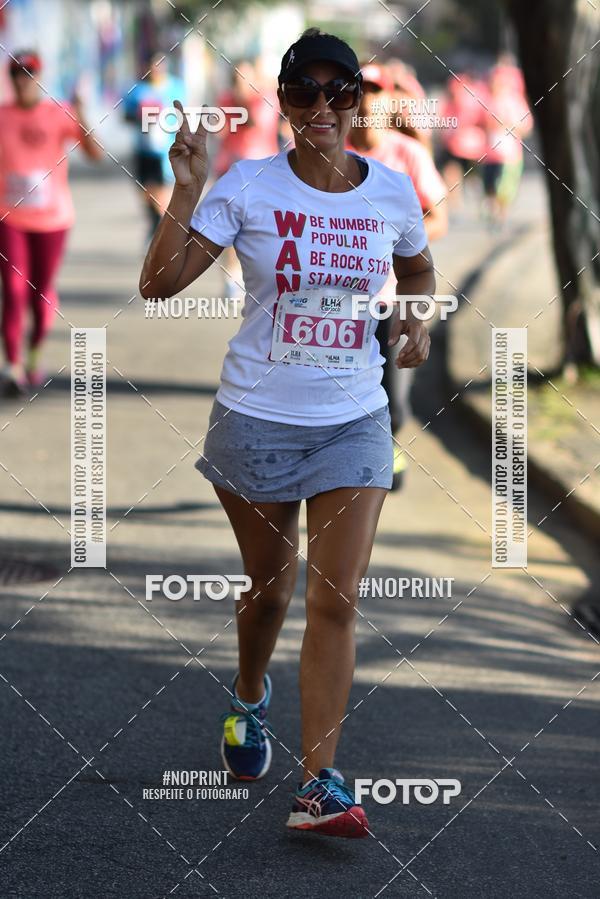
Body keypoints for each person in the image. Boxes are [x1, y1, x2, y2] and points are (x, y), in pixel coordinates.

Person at [140, 28, 435, 838]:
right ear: (283, 102)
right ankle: (246, 694)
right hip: (255, 424)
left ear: (357, 102)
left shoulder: (391, 192)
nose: (323, 107)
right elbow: (159, 284)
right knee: (269, 590)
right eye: (304, 92)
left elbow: (416, 267)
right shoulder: (249, 187)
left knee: (335, 598)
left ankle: (321, 783)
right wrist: (188, 189)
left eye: (339, 91)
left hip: (354, 421)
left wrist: (417, 318)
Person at [348, 62, 447, 488]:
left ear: (389, 102)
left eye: (376, 92)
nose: (368, 102)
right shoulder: (330, 152)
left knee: (393, 399)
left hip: (391, 296)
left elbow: (438, 219)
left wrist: (398, 243)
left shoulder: (408, 155)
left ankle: (387, 447)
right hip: (337, 299)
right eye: (359, 92)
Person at [0, 51, 102, 397]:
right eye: (16, 73)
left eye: (29, 73)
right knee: (13, 291)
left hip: (53, 219)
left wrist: (82, 112)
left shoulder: (59, 112)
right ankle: (12, 366)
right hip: (10, 218)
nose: (22, 80)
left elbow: (94, 154)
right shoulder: (2, 116)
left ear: (39, 77)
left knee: (39, 293)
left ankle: (34, 352)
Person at [123, 53, 185, 240]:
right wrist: (141, 117)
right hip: (143, 149)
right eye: (153, 65)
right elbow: (125, 116)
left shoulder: (176, 87)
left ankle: (160, 228)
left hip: (166, 149)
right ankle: (154, 222)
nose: (156, 69)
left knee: (163, 188)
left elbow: (183, 114)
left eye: (160, 65)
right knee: (145, 189)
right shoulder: (137, 90)